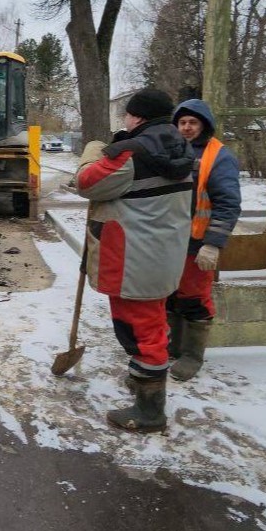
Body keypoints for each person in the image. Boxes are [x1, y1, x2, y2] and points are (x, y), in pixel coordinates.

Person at [74, 88, 194, 433]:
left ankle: (150, 411)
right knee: (148, 324)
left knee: (143, 332)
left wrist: (94, 151)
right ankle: (143, 380)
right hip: (160, 257)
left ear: (137, 117)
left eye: (127, 114)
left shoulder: (129, 153)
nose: (125, 119)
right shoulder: (179, 146)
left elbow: (86, 182)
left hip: (133, 259)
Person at [168, 98, 241, 381]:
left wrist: (213, 243)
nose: (186, 128)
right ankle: (173, 346)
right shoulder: (170, 152)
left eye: (192, 123)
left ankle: (192, 355)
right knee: (170, 295)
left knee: (194, 298)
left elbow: (228, 203)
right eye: (182, 122)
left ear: (204, 125)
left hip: (197, 244)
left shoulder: (219, 156)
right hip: (169, 242)